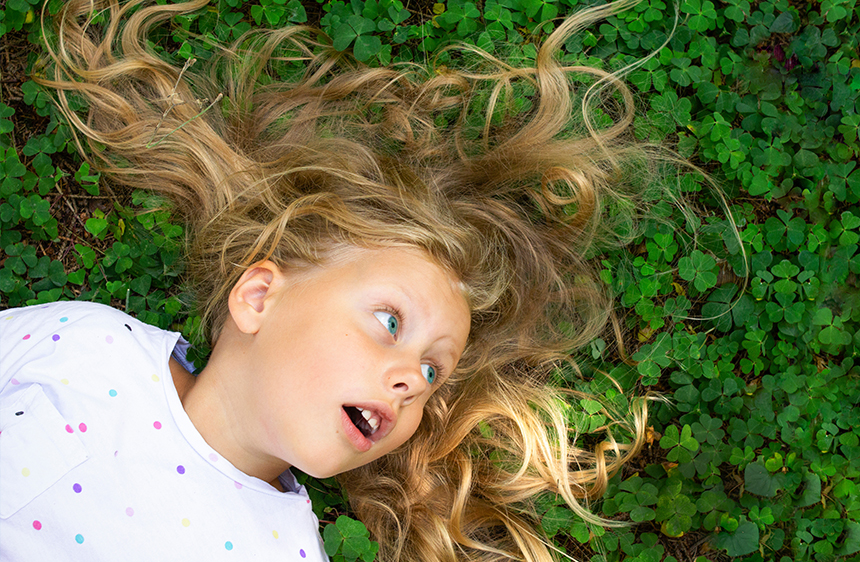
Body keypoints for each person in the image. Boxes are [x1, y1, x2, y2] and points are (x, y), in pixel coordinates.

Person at [0, 0, 667, 560]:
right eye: (390, 324)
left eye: (434, 374)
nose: (413, 383)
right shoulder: (91, 347)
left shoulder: (288, 551)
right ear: (259, 296)